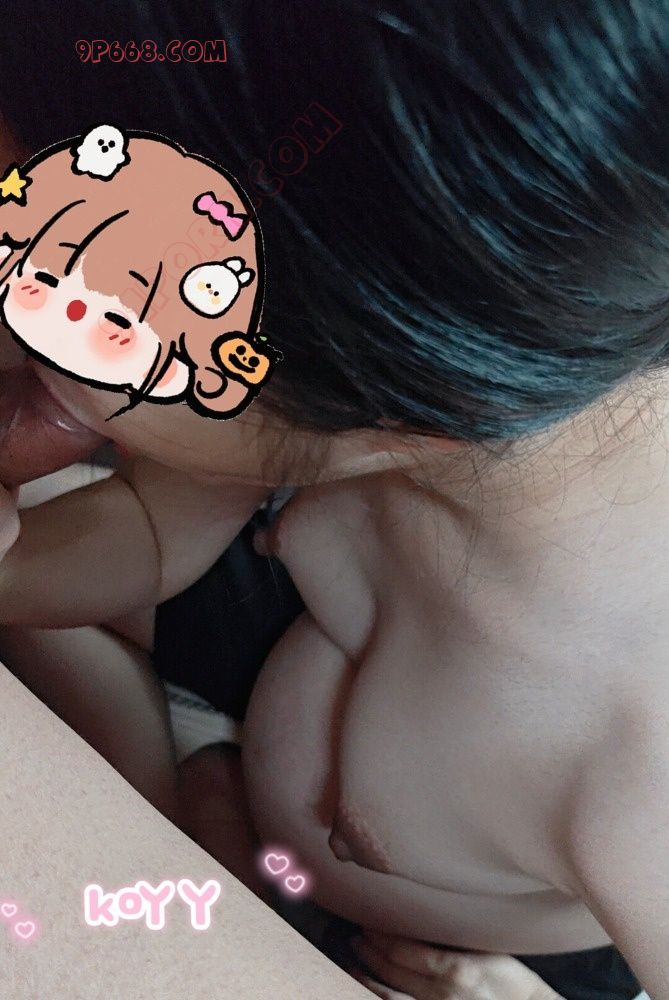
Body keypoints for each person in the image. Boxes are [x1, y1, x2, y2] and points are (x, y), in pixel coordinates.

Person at [0, 2, 666, 997]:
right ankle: (205, 811)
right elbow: (148, 532)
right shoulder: (353, 345)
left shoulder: (638, 768)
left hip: (420, 947)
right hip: (260, 672)